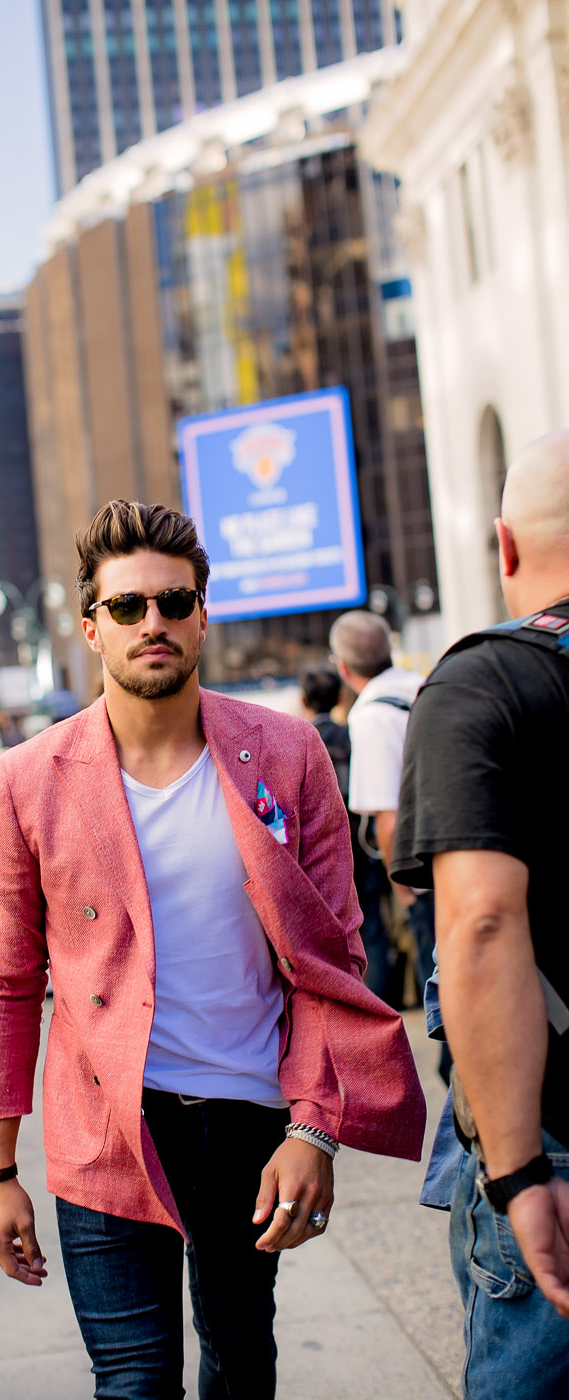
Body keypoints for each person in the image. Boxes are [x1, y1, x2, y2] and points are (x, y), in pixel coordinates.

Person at [0, 500, 426, 1399]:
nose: (154, 624)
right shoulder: (25, 781)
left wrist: (313, 1130)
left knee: (240, 1361)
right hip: (103, 1121)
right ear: (91, 625)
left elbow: (334, 966)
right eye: (129, 607)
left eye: (174, 603)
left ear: (203, 615)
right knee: (133, 1384)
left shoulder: (287, 752)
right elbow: (7, 984)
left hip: (248, 1121)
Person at [392, 431, 569, 1398]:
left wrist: (515, 1173)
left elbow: (483, 924)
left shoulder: (484, 683)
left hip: (554, 1145)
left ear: (503, 548)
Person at [329, 610, 434, 998]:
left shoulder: (371, 716)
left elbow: (387, 821)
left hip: (423, 873)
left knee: (438, 980)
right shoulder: (424, 685)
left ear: (343, 666)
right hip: (462, 851)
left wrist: (404, 891)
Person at [299, 665, 393, 1004]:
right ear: (341, 696)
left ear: (303, 699)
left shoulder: (299, 742)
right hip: (365, 848)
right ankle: (380, 1006)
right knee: (372, 930)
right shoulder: (353, 735)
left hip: (321, 854)